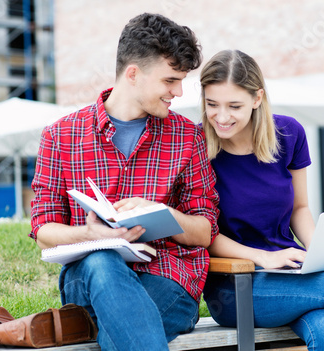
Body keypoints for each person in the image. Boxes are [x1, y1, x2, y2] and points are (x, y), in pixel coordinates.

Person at [29, 13, 220, 351]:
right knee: (102, 259)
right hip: (88, 281)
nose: (178, 91)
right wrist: (90, 235)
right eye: (170, 80)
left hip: (168, 282)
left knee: (118, 326)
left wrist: (162, 212)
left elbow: (205, 231)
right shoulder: (61, 136)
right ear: (133, 74)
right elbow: (44, 229)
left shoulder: (187, 137)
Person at [200, 50, 324, 350]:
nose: (221, 117)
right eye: (212, 104)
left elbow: (300, 208)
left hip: (288, 273)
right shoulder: (197, 148)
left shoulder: (289, 134)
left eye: (234, 106)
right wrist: (262, 258)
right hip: (234, 287)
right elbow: (204, 233)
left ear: (257, 98)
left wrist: (318, 252)